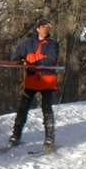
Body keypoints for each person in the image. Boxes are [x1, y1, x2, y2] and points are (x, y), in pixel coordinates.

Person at [9, 19, 59, 151]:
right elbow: (16, 57)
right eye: (43, 27)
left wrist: (31, 59)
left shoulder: (53, 44)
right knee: (23, 108)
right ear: (38, 28)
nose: (46, 29)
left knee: (47, 109)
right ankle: (16, 135)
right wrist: (19, 60)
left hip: (47, 80)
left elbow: (51, 60)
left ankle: (49, 137)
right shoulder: (28, 43)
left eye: (48, 27)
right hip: (31, 80)